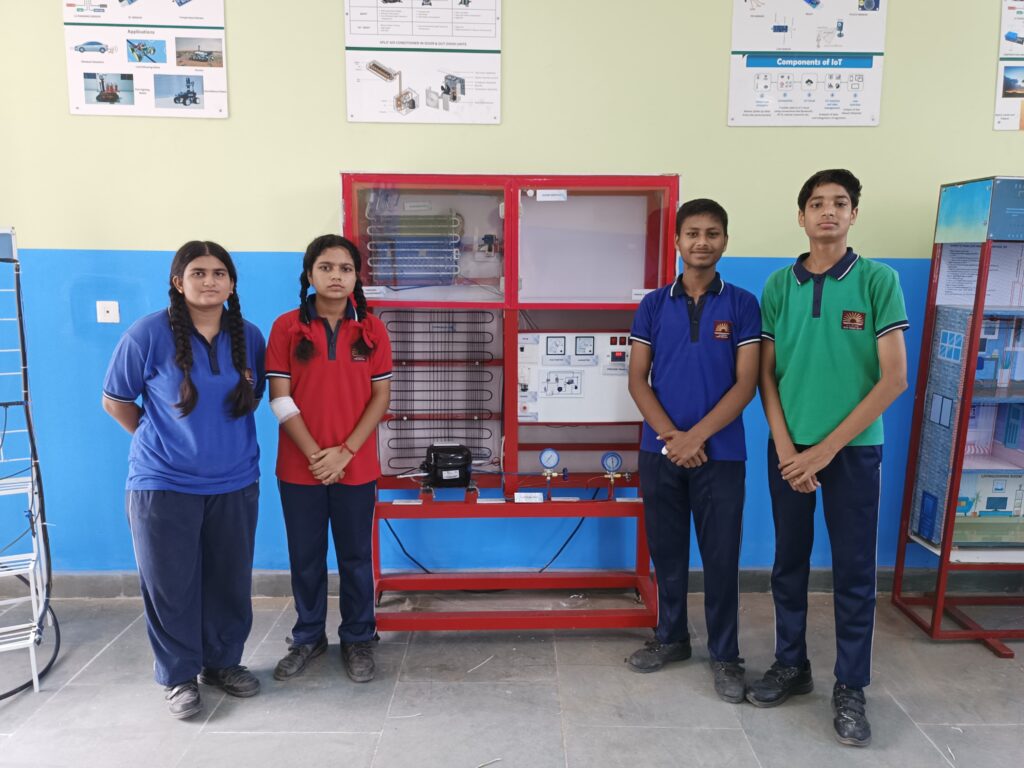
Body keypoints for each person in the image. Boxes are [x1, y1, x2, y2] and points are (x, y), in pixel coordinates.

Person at [748, 169, 909, 747]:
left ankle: (850, 686)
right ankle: (792, 665)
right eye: (816, 203)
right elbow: (765, 374)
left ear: (853, 215)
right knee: (788, 563)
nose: (828, 212)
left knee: (854, 572)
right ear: (800, 216)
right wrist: (791, 448)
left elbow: (893, 379)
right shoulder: (777, 286)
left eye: (840, 203)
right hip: (788, 452)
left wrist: (825, 450)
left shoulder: (877, 281)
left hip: (853, 454)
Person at [101, 241, 266, 720]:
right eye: (198, 272)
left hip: (235, 481)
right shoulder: (146, 334)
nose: (210, 281)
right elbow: (116, 401)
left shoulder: (249, 336)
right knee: (170, 585)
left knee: (229, 581)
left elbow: (249, 401)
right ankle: (177, 676)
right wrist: (163, 442)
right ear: (178, 281)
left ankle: (222, 663)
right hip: (163, 485)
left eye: (219, 272)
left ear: (232, 283)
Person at [626, 198, 761, 703]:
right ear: (678, 241)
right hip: (660, 452)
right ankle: (672, 638)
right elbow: (638, 380)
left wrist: (696, 437)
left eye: (713, 233)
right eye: (692, 233)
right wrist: (672, 439)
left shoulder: (744, 304)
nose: (702, 242)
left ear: (725, 240)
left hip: (721, 455)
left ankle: (726, 655)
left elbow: (746, 384)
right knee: (667, 552)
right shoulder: (654, 305)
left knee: (722, 557)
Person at [266, 234, 392, 684]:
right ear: (309, 274)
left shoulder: (372, 330)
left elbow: (380, 397)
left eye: (345, 268)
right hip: (300, 467)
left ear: (356, 277)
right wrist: (317, 455)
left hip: (355, 465)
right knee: (306, 557)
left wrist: (346, 452)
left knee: (357, 557)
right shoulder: (285, 328)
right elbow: (279, 399)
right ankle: (308, 636)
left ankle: (359, 636)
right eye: (326, 267)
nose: (336, 276)